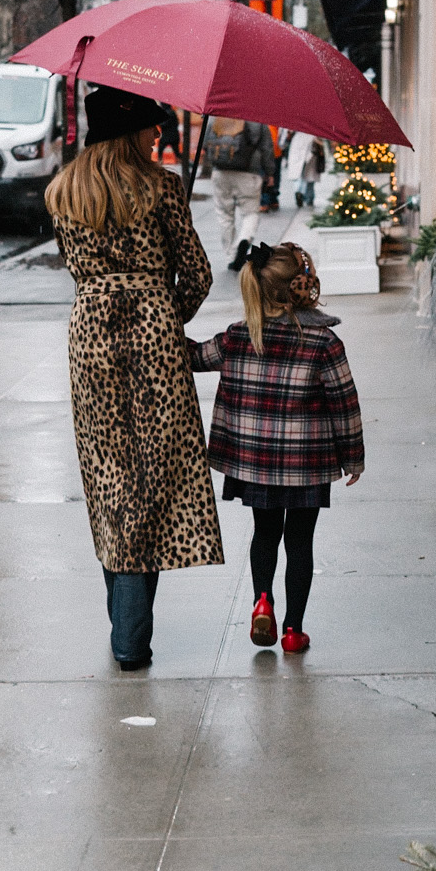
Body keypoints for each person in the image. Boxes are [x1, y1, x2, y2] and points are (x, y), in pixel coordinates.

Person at [47, 85, 223, 670]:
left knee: (110, 478)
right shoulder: (162, 187)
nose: (157, 136)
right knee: (151, 480)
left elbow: (75, 269)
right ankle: (130, 635)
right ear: (130, 132)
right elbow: (196, 275)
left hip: (92, 336)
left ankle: (124, 624)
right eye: (150, 127)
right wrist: (160, 312)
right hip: (153, 344)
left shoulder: (62, 191)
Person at [188, 241, 364, 653]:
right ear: (303, 287)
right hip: (305, 463)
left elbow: (192, 357)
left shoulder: (238, 337)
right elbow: (344, 401)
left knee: (264, 533)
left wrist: (158, 323)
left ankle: (261, 600)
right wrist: (352, 456)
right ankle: (292, 630)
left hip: (254, 463)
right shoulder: (323, 342)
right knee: (300, 541)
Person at [204, 117, 275, 270]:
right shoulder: (258, 121)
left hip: (220, 172)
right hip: (249, 173)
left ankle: (231, 254)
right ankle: (244, 240)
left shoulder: (216, 117)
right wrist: (270, 173)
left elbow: (206, 144)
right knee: (251, 213)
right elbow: (267, 149)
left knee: (225, 215)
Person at [294, 136, 326, 209]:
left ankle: (301, 192)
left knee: (302, 176)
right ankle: (308, 198)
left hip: (305, 153)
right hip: (312, 153)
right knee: (309, 179)